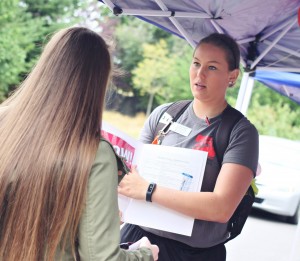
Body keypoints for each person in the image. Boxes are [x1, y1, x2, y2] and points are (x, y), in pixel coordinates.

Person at [0, 27, 158, 260]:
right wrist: (146, 254)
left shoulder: (4, 120)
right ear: (98, 83)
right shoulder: (94, 152)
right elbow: (101, 257)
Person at [118, 33, 259, 261]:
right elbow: (131, 178)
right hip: (139, 241)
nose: (199, 74)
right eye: (196, 63)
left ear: (232, 76)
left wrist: (149, 191)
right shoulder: (164, 115)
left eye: (212, 67)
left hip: (195, 254)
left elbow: (221, 208)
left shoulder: (241, 132)